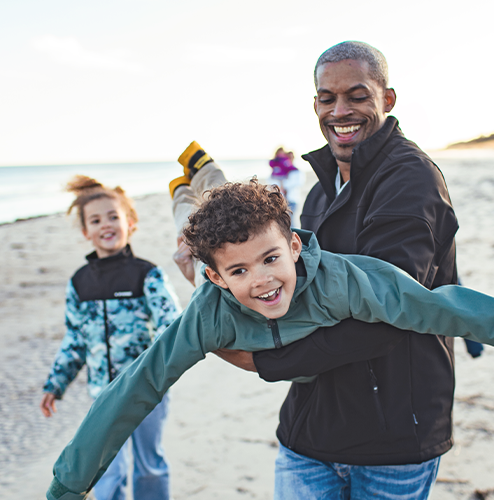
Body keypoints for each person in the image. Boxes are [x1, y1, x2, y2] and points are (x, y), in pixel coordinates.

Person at [44, 179, 494, 500]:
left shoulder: (344, 279)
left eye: (271, 258)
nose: (261, 279)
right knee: (191, 232)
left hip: (379, 426)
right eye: (238, 271)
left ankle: (201, 186)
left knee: (226, 230)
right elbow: (135, 387)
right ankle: (190, 191)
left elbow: (435, 306)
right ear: (218, 279)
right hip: (261, 355)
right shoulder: (208, 309)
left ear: (296, 244)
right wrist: (68, 486)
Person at [202, 40, 479, 499]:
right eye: (327, 98)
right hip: (310, 431)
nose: (340, 110)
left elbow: (391, 312)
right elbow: (294, 292)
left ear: (386, 99)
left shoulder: (411, 181)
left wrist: (266, 362)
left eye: (357, 95)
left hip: (393, 438)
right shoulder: (321, 187)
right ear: (315, 103)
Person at [38, 175, 180, 500]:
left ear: (130, 223)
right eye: (96, 220)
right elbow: (75, 340)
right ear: (86, 232)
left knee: (149, 464)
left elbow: (171, 324)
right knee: (106, 469)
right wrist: (55, 384)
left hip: (146, 391)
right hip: (102, 395)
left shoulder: (147, 274)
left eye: (114, 216)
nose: (107, 224)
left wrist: (156, 371)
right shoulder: (79, 283)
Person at [267, 148, 302, 223]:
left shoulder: (295, 171)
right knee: (281, 221)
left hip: (292, 199)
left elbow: (298, 183)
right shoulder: (280, 169)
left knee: (290, 221)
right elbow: (271, 181)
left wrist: (283, 184)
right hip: (280, 199)